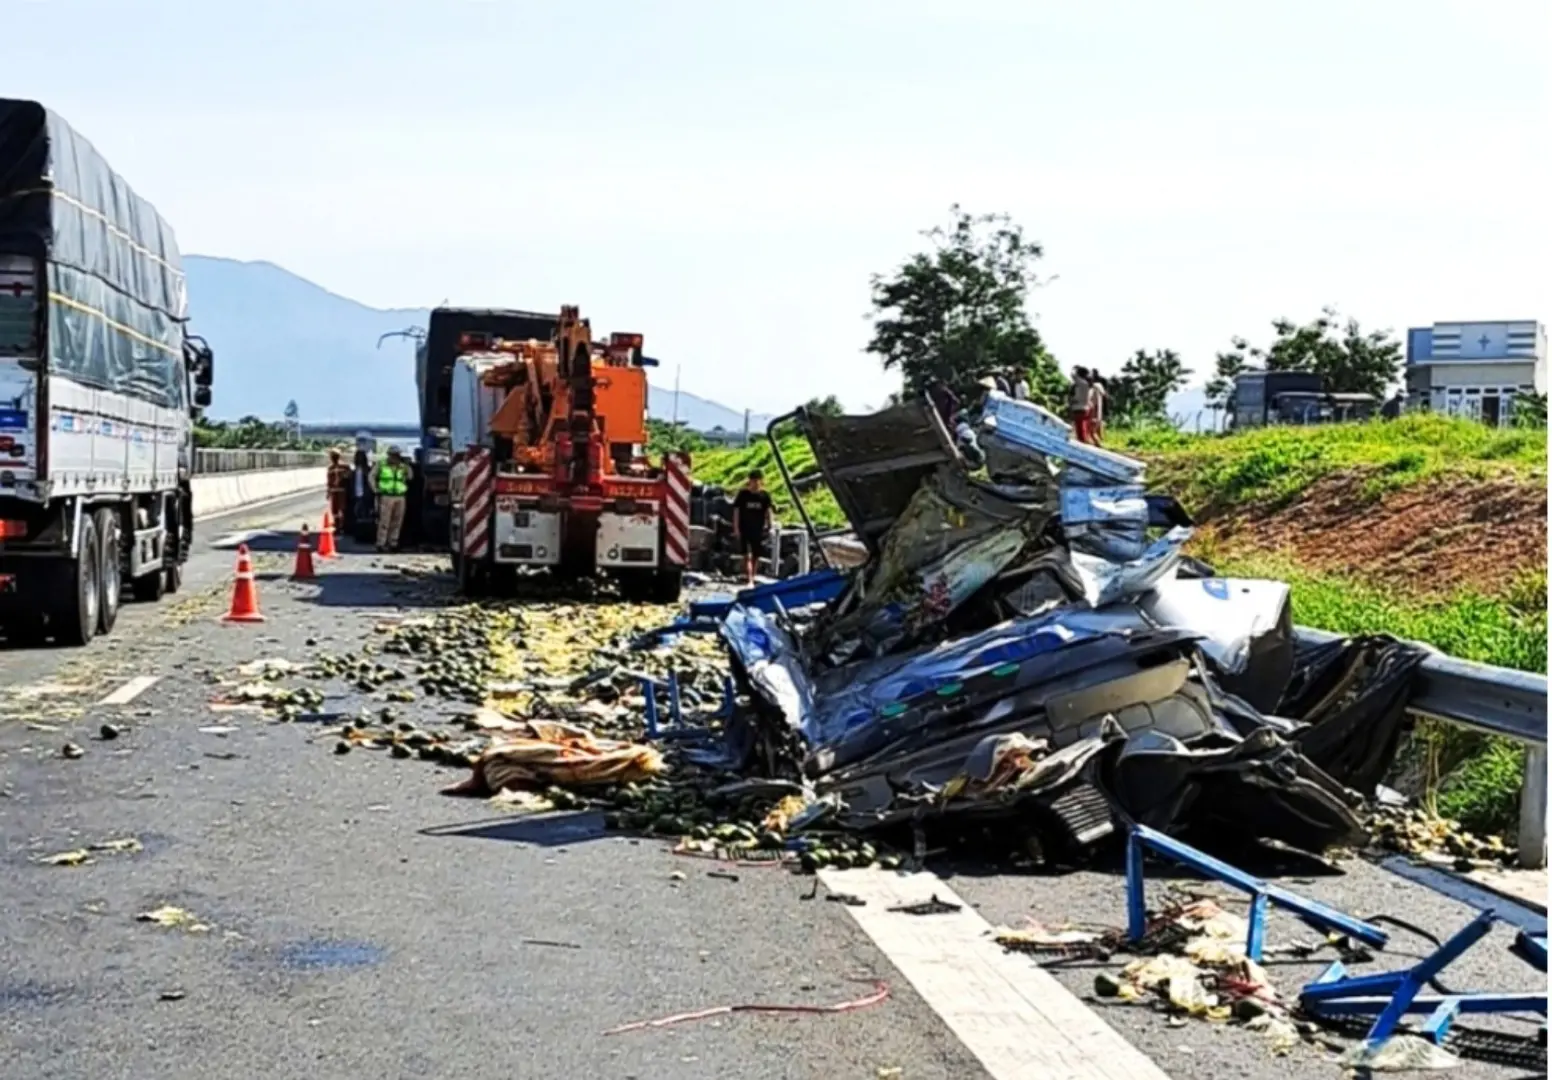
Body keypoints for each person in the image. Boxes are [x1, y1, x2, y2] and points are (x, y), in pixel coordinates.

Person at [730, 469, 774, 587]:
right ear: (749, 481)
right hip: (744, 528)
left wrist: (770, 525)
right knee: (747, 555)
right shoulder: (743, 495)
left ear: (761, 481)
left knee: (756, 555)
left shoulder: (764, 496)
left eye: (757, 481)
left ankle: (752, 577)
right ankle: (749, 579)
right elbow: (736, 511)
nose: (755, 483)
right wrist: (736, 528)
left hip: (758, 529)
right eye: (752, 481)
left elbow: (768, 511)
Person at [371, 445, 413, 552]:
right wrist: (375, 489)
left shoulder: (403, 466)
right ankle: (381, 543)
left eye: (397, 455)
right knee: (384, 521)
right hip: (386, 496)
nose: (395, 457)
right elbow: (371, 476)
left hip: (400, 496)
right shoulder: (381, 465)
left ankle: (393, 543)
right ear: (389, 455)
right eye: (393, 455)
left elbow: (410, 477)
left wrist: (406, 465)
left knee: (397, 521)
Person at [326, 448, 351, 528]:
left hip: (342, 491)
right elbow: (329, 481)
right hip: (334, 492)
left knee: (343, 509)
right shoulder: (330, 468)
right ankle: (337, 525)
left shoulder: (345, 466)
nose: (332, 458)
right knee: (335, 510)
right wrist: (328, 492)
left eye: (334, 456)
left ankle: (343, 525)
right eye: (332, 456)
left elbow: (349, 477)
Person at [1068, 366, 1094, 444]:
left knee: (1080, 431)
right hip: (1085, 408)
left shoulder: (1082, 383)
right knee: (1082, 429)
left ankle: (1082, 445)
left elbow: (1072, 375)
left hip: (1079, 408)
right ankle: (1084, 442)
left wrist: (1074, 369)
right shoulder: (1087, 384)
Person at [1088, 374, 1108, 445]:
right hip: (1098, 412)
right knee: (1096, 432)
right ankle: (1100, 443)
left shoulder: (1095, 388)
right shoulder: (1100, 391)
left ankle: (1099, 444)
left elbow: (1089, 400)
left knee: (1092, 432)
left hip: (1094, 411)